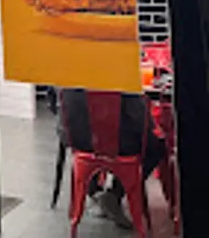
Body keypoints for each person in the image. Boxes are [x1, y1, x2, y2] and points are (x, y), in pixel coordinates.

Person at [61, 89, 167, 229]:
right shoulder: (121, 80)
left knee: (94, 143)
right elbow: (141, 120)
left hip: (79, 142)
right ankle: (115, 193)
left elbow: (57, 110)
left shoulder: (66, 76)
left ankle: (93, 191)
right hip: (118, 146)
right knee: (156, 147)